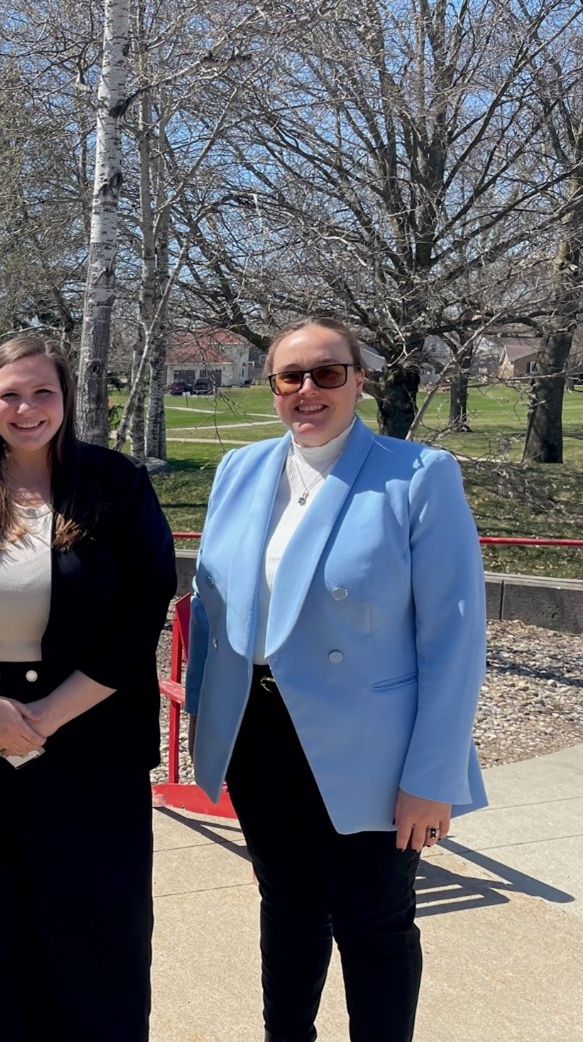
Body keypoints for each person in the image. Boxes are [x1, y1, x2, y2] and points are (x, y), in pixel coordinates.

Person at [185, 315, 488, 1042]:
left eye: (327, 373)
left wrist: (433, 775)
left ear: (359, 380)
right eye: (290, 376)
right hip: (257, 731)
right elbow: (209, 604)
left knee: (374, 921)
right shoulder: (240, 470)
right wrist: (204, 722)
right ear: (272, 387)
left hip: (371, 743)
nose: (308, 390)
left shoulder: (418, 475)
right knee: (286, 904)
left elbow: (453, 636)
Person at [0, 335, 176, 1042]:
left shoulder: (114, 482)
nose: (27, 408)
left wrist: (45, 717)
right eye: (10, 394)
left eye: (43, 392)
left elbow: (143, 607)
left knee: (97, 937)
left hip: (91, 749)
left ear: (67, 399)